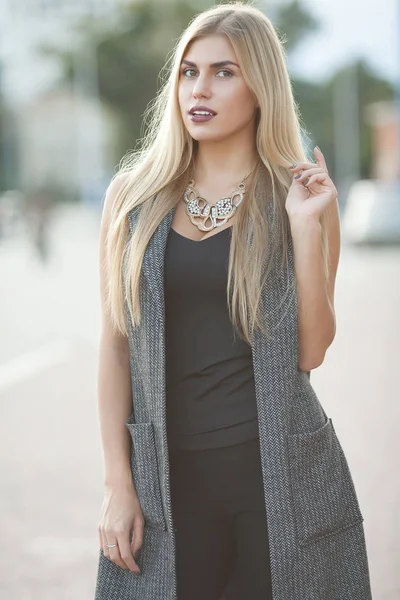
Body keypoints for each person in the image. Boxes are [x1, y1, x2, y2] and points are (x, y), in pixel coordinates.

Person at [94, 3, 372, 600]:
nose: (200, 88)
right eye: (189, 72)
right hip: (168, 479)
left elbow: (312, 351)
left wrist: (303, 228)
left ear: (260, 88)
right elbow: (115, 346)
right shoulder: (133, 198)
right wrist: (119, 484)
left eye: (224, 72)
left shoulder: (301, 195)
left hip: (280, 476)